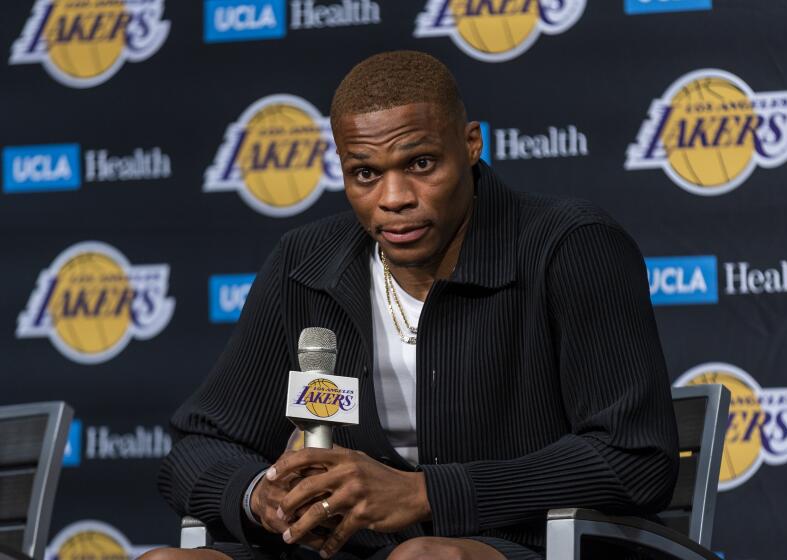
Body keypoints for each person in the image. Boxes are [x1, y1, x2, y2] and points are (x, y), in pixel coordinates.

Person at [143, 50, 678, 560]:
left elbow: (634, 459)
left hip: (530, 544)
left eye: (421, 163)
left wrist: (426, 493)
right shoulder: (305, 264)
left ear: (471, 144)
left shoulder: (567, 246)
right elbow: (200, 447)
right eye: (366, 173)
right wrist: (260, 494)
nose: (394, 197)